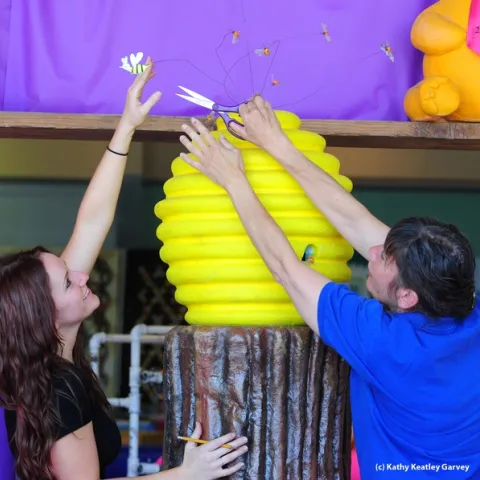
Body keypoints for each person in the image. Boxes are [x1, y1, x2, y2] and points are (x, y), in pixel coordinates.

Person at [178, 98, 480, 479]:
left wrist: (234, 180)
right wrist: (276, 143)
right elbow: (353, 220)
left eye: (384, 258)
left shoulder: (385, 343)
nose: (370, 252)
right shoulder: (462, 308)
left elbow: (286, 268)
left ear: (407, 297)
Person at [0, 59, 247, 480]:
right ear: (44, 315)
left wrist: (127, 125)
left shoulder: (42, 366)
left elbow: (92, 221)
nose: (82, 274)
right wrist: (189, 473)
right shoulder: (57, 389)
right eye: (67, 280)